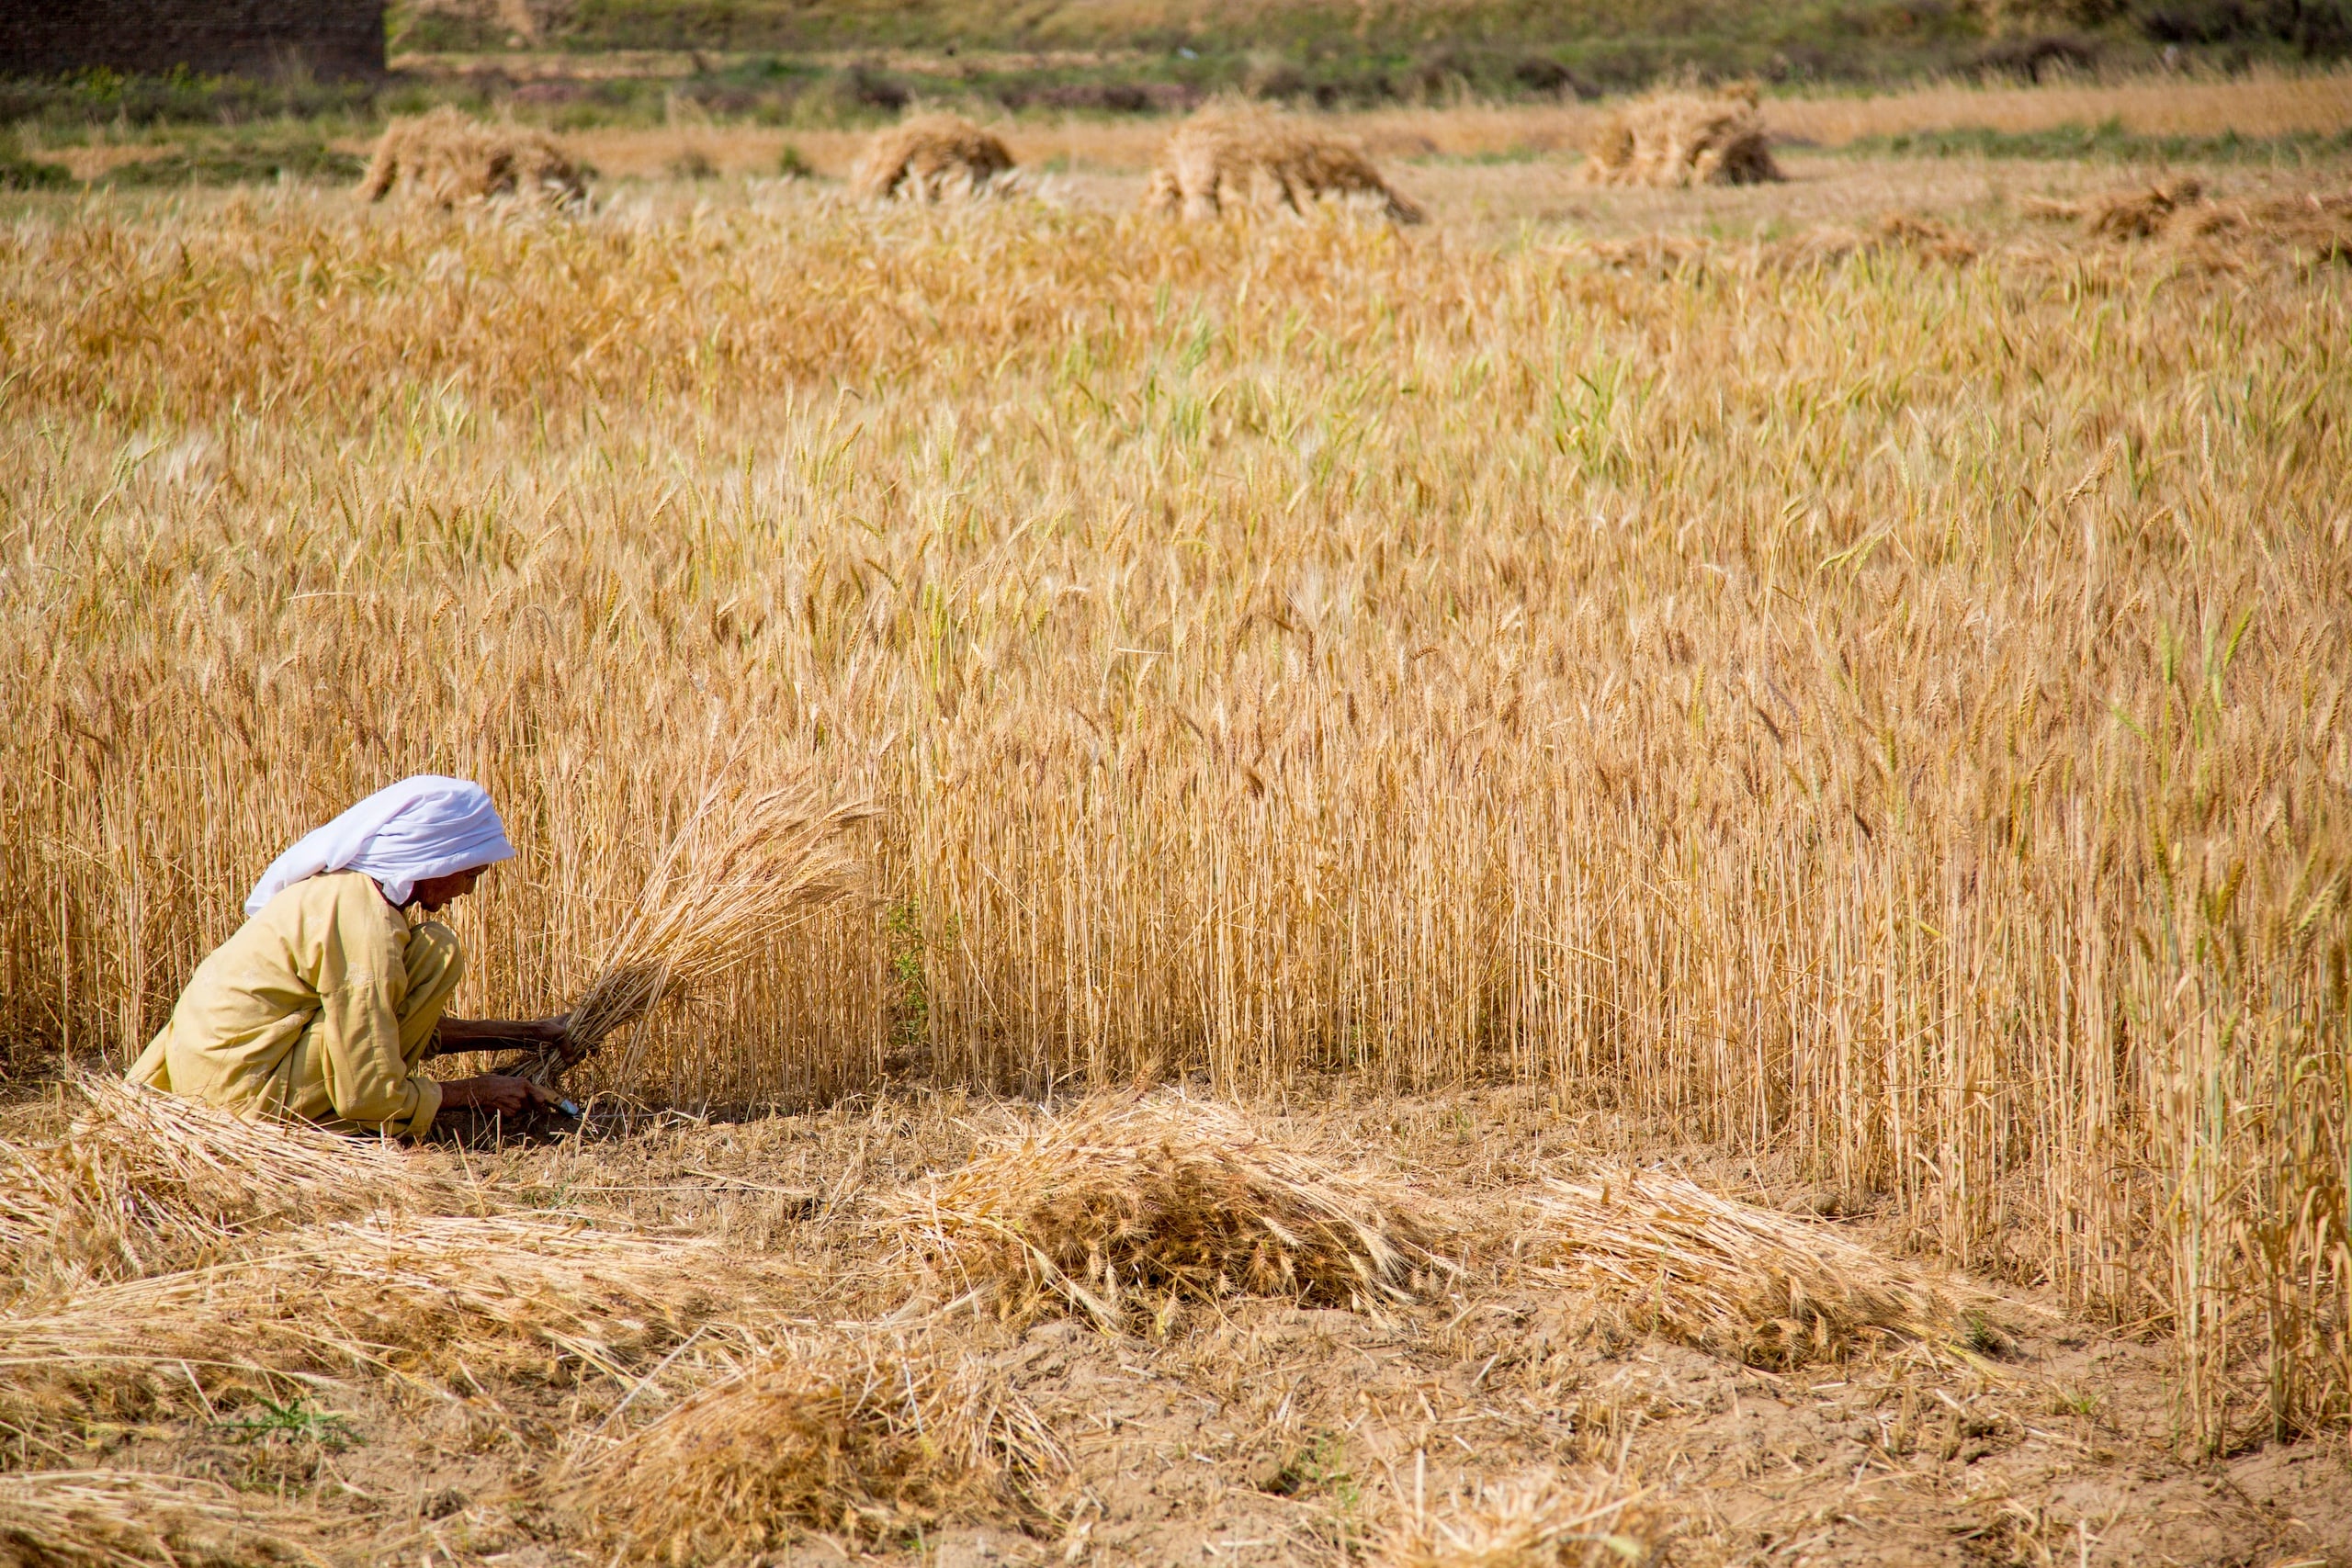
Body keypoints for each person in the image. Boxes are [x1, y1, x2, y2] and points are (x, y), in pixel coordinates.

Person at [128, 775, 577, 1137]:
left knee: (429, 950)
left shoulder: (344, 892)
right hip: (236, 1099)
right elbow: (364, 1088)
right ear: (434, 860)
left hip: (201, 1075)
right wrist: (472, 1092)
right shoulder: (365, 925)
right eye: (471, 873)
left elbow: (378, 1022)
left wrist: (525, 1034)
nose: (469, 891)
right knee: (439, 950)